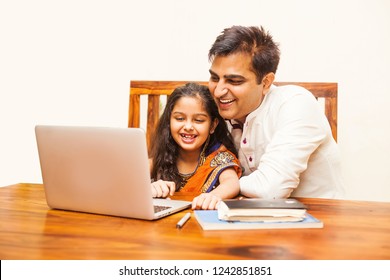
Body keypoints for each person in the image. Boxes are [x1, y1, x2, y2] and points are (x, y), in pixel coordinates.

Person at [207, 25, 345, 199]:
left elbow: (270, 189)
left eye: (234, 81)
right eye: (214, 78)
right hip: (247, 218)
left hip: (319, 218)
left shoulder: (297, 103)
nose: (218, 92)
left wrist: (225, 185)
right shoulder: (216, 113)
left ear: (265, 82)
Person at [149, 82, 242, 209]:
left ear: (212, 125)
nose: (188, 127)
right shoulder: (162, 155)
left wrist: (213, 196)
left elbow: (232, 183)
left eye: (198, 120)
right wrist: (149, 187)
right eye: (180, 118)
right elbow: (127, 180)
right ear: (169, 121)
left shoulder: (219, 156)